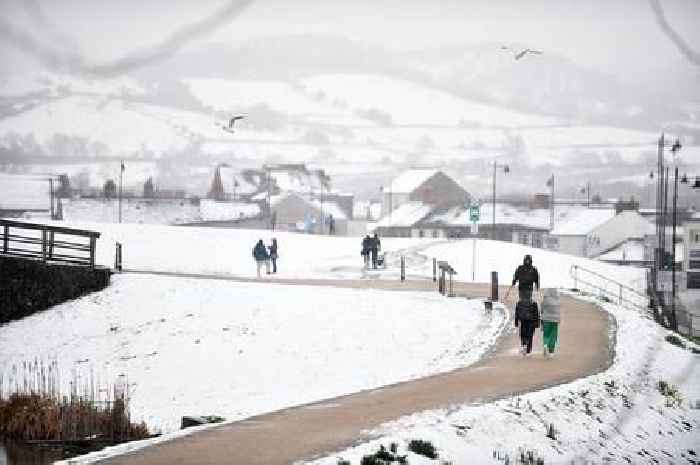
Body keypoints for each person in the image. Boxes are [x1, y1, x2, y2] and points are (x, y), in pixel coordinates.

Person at [540, 288, 561, 356]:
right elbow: (558, 311)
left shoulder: (545, 300)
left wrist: (541, 317)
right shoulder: (557, 300)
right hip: (555, 320)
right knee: (553, 335)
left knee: (546, 333)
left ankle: (545, 344)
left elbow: (542, 308)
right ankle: (551, 351)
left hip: (546, 319)